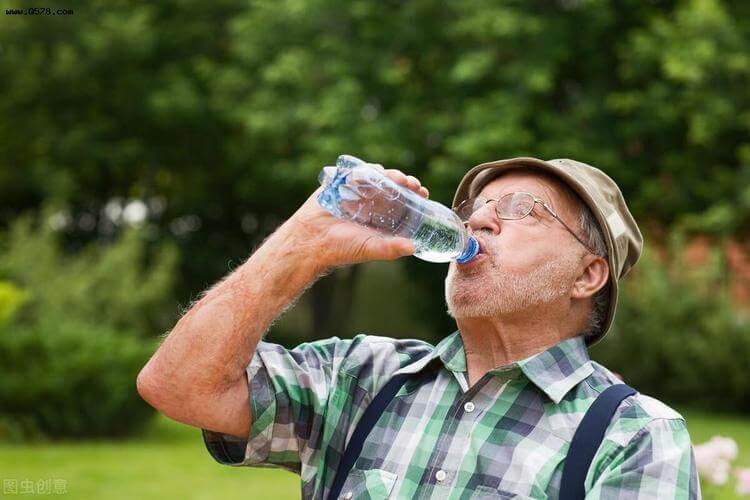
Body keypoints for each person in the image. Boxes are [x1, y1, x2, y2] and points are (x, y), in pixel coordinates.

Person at [137, 157, 701, 499]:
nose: (478, 218)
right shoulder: (361, 377)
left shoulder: (632, 437)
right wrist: (300, 248)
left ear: (588, 275)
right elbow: (178, 384)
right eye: (476, 207)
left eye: (524, 209)